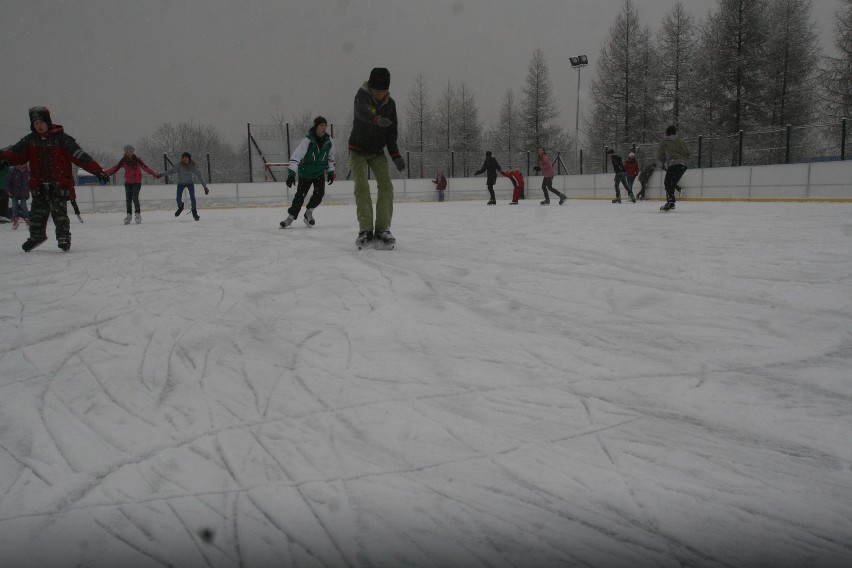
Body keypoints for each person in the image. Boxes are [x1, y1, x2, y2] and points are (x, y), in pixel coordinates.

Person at [0, 106, 108, 252]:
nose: (39, 126)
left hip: (59, 184)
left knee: (59, 214)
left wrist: (97, 171)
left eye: (41, 122)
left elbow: (80, 156)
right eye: (35, 123)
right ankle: (36, 236)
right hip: (39, 185)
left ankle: (63, 237)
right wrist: (4, 159)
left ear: (48, 122)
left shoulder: (62, 139)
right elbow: (16, 152)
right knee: (37, 214)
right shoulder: (30, 140)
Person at [348, 67, 405, 249]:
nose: (380, 95)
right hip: (358, 150)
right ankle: (365, 230)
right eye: (377, 91)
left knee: (386, 186)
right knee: (362, 186)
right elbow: (361, 112)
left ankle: (383, 229)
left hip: (377, 152)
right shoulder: (361, 96)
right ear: (371, 88)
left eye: (384, 91)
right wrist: (376, 119)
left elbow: (391, 133)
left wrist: (395, 155)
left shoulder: (390, 105)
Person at [280, 116, 335, 229]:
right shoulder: (307, 141)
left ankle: (308, 213)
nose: (324, 128)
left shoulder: (329, 142)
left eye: (325, 126)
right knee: (299, 197)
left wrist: (330, 172)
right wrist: (291, 174)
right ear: (316, 127)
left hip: (319, 174)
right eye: (321, 125)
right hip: (305, 174)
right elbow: (295, 157)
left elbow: (330, 158)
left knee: (319, 194)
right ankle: (290, 217)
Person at [105, 144, 161, 224]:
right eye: (127, 151)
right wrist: (105, 173)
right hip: (128, 182)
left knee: (135, 197)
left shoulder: (137, 160)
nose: (129, 153)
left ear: (133, 151)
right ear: (125, 152)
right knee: (128, 199)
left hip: (137, 182)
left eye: (130, 151)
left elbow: (145, 167)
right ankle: (129, 215)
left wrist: (154, 174)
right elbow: (115, 168)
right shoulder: (123, 161)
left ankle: (137, 214)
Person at [162, 152, 209, 221]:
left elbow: (200, 176)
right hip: (180, 184)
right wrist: (161, 174)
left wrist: (205, 187)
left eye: (185, 158)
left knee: (192, 197)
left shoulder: (192, 166)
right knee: (178, 198)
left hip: (189, 183)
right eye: (182, 158)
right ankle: (180, 207)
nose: (184, 159)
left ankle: (194, 213)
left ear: (189, 159)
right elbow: (171, 171)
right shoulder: (179, 165)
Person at [657, 125, 691, 211]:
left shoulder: (664, 142)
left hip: (673, 164)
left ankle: (671, 201)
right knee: (672, 182)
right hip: (683, 164)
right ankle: (671, 201)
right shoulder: (681, 141)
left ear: (668, 133)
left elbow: (660, 155)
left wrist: (663, 162)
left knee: (668, 182)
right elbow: (688, 152)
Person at [4, 163, 30, 229]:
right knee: (14, 207)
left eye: (23, 164)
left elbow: (31, 182)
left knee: (23, 206)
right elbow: (7, 182)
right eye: (19, 164)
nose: (21, 166)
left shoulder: (28, 172)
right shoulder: (12, 172)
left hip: (24, 193)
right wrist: (8, 191)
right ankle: (15, 219)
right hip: (14, 193)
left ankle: (27, 219)